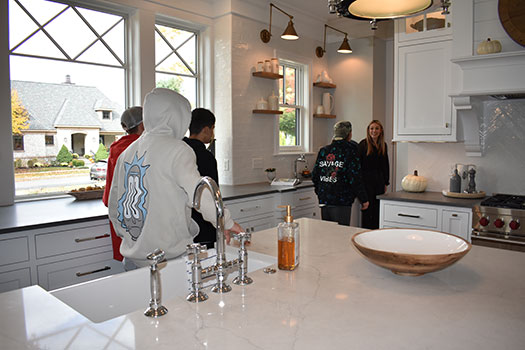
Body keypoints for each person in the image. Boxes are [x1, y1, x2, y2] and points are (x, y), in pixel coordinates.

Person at [108, 88, 243, 269]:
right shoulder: (178, 149)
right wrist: (226, 222)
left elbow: (114, 204)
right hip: (167, 261)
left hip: (133, 259)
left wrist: (131, 237)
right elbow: (199, 194)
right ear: (178, 116)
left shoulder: (128, 152)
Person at [102, 106, 144, 261]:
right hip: (142, 220)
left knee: (130, 269)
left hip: (122, 218)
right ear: (143, 125)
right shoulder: (144, 147)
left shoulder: (115, 148)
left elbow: (109, 195)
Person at [312, 121, 369, 226]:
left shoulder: (324, 150)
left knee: (328, 233)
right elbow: (354, 177)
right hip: (342, 200)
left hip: (325, 199)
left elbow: (315, 175)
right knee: (340, 235)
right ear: (349, 134)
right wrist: (364, 199)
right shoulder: (350, 150)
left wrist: (320, 192)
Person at [183, 108, 219, 249]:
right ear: (206, 129)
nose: (212, 133)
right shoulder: (206, 156)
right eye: (212, 128)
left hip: (184, 223)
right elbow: (211, 193)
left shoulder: (180, 150)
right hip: (204, 223)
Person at [358, 120, 390, 229]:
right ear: (368, 130)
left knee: (377, 210)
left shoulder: (383, 145)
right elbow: (358, 166)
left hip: (379, 182)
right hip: (366, 183)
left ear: (381, 131)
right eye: (372, 128)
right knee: (367, 210)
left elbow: (385, 164)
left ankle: (376, 233)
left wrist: (386, 182)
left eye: (376, 128)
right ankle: (366, 234)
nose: (374, 131)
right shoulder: (363, 145)